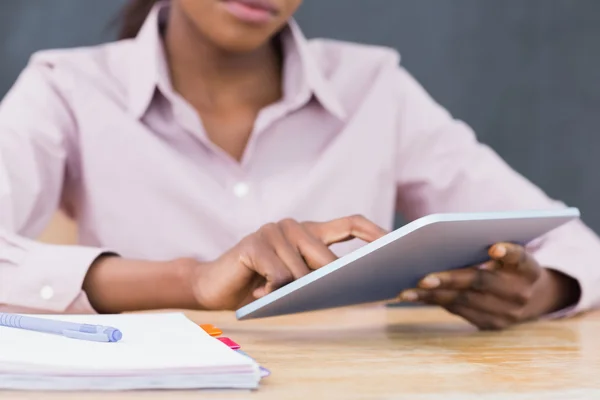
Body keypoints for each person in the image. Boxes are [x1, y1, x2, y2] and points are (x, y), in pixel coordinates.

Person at [0, 0, 598, 331]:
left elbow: (575, 246)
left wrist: (541, 290)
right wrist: (194, 278)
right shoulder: (68, 89)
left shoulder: (374, 87)